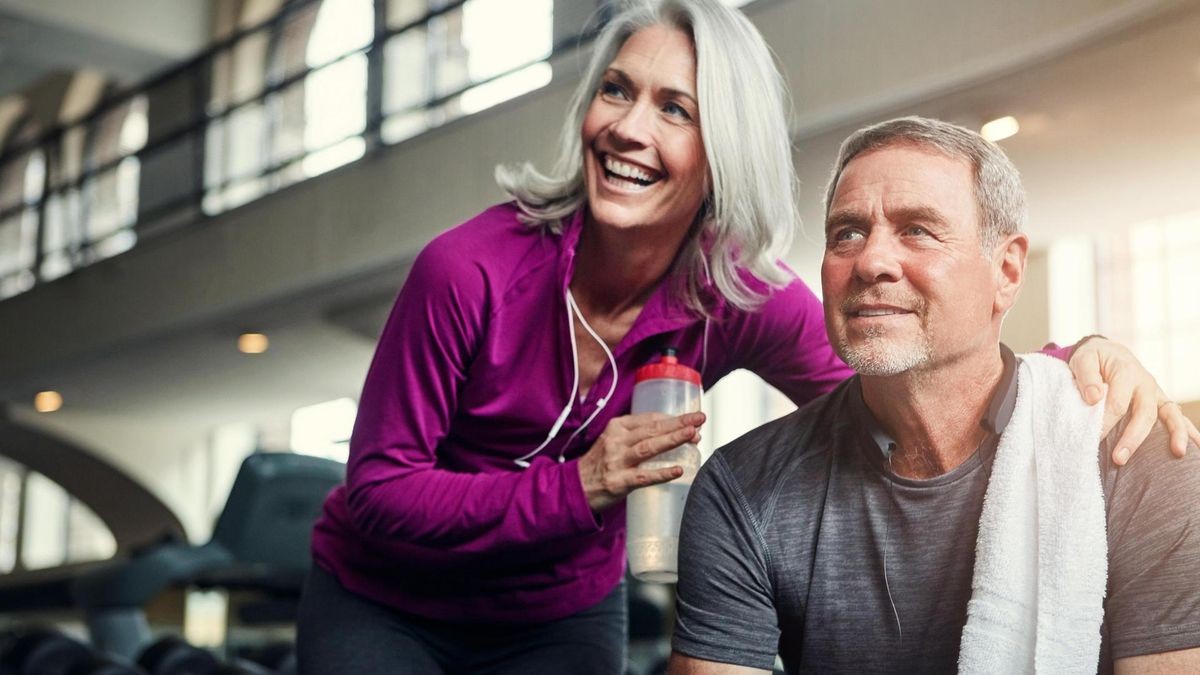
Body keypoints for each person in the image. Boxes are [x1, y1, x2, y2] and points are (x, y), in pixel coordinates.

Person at [295, 1, 1198, 671]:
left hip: (556, 611)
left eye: (673, 109)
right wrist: (581, 485)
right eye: (616, 91)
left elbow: (898, 362)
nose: (625, 128)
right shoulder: (468, 269)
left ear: (722, 148)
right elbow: (378, 490)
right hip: (387, 599)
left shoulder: (729, 292)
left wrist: (1073, 365)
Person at [669, 117, 1200, 674]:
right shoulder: (744, 487)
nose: (870, 261)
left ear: (1007, 271)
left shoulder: (1137, 459)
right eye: (846, 232)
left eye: (917, 229)